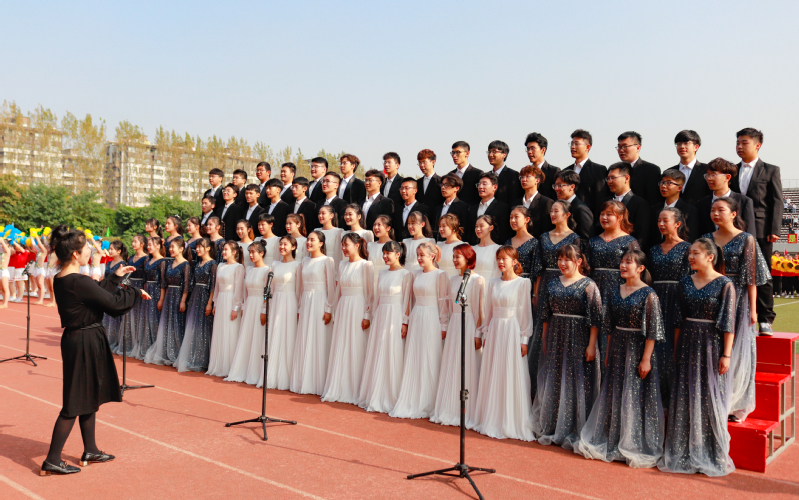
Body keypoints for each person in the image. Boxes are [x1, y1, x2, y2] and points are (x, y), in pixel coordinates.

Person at [41, 228, 148, 476]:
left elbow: (96, 293)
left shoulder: (64, 278)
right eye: (87, 247)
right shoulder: (78, 281)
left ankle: (90, 450)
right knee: (75, 400)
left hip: (81, 338)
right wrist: (133, 291)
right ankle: (52, 459)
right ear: (76, 254)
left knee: (89, 394)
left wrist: (115, 278)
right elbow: (113, 304)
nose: (91, 250)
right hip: (84, 341)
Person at [575, 249, 665, 468]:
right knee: (615, 392)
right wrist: (607, 353)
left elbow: (653, 331)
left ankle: (632, 442)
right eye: (622, 262)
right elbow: (609, 326)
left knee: (634, 393)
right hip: (616, 347)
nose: (623, 266)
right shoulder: (615, 290)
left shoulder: (649, 295)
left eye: (628, 262)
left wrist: (646, 359)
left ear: (640, 268)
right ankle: (614, 437)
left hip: (637, 349)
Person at [658, 238, 736, 477]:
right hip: (687, 343)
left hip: (712, 345)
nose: (690, 257)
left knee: (709, 395)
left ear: (710, 257)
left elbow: (728, 323)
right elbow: (677, 320)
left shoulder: (725, 285)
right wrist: (676, 349)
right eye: (690, 253)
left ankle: (711, 452)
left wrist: (726, 354)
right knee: (685, 393)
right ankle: (683, 450)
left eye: (695, 253)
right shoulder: (684, 282)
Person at [703, 197, 769, 422]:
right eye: (713, 209)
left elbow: (751, 277)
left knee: (738, 352)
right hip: (711, 297)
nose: (715, 213)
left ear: (733, 214)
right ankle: (714, 400)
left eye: (721, 210)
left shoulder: (746, 239)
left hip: (738, 298)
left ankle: (736, 404)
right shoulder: (706, 238)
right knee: (714, 348)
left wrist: (753, 309)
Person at [532, 244, 602, 448]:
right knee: (555, 379)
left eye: (567, 260)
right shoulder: (553, 282)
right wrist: (545, 339)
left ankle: (575, 428)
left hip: (579, 338)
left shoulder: (589, 285)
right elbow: (545, 314)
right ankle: (553, 425)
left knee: (576, 381)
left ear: (578, 261)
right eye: (559, 259)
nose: (562, 263)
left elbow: (595, 319)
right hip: (556, 336)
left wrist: (591, 345)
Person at [474, 246, 535, 441]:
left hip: (512, 331)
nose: (500, 262)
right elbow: (488, 311)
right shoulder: (493, 282)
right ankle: (491, 418)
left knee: (510, 371)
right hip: (494, 332)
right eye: (498, 259)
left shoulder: (523, 283)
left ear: (514, 261)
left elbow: (525, 312)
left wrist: (524, 340)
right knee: (494, 371)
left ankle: (509, 420)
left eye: (505, 259)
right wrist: (484, 333)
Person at [731, 128, 783, 335]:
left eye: (744, 142)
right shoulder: (732, 170)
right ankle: (737, 315)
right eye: (737, 142)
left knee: (763, 274)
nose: (739, 146)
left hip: (761, 230)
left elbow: (777, 201)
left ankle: (765, 319)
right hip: (734, 228)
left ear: (757, 145)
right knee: (734, 273)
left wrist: (774, 229)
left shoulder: (770, 170)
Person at [390, 241, 450, 419]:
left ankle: (429, 401)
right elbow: (409, 300)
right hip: (417, 317)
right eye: (417, 255)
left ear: (432, 256)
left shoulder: (441, 275)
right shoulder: (414, 274)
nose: (419, 258)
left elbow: (443, 302)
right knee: (415, 356)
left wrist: (444, 325)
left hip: (432, 318)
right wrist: (405, 321)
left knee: (430, 356)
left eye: (422, 255)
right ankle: (413, 397)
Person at [530, 200, 582, 399]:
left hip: (566, 285)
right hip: (545, 285)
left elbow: (578, 267)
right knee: (540, 330)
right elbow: (538, 266)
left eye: (556, 211)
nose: (552, 214)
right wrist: (535, 293)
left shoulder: (575, 238)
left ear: (567, 215)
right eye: (551, 211)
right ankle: (536, 387)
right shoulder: (544, 237)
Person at [430, 244, 485, 429]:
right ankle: (449, 407)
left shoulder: (478, 280)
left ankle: (468, 411)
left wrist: (478, 333)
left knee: (468, 364)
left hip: (469, 324)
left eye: (458, 256)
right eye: (453, 256)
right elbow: (447, 306)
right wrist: (444, 325)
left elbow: (480, 309)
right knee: (452, 363)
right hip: (454, 324)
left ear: (468, 258)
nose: (454, 260)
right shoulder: (452, 279)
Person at [358, 241, 413, 413]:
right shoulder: (381, 273)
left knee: (392, 352)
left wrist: (405, 322)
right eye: (383, 253)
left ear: (398, 254)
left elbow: (407, 301)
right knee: (378, 352)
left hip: (395, 316)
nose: (385, 256)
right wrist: (373, 316)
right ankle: (376, 394)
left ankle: (391, 396)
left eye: (388, 253)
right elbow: (377, 298)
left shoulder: (406, 274)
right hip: (381, 316)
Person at [587, 201, 641, 376]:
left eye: (609, 214)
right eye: (602, 214)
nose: (604, 217)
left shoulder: (630, 242)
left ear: (620, 217)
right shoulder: (593, 241)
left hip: (618, 291)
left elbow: (635, 272)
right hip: (594, 290)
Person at [322, 233, 375, 404]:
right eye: (342, 245)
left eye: (347, 245)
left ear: (357, 245)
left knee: (356, 344)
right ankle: (339, 387)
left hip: (358, 307)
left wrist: (367, 315)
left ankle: (355, 389)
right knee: (341, 345)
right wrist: (335, 311)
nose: (344, 248)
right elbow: (338, 291)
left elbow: (370, 293)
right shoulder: (342, 264)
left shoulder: (366, 265)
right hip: (344, 307)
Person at [648, 207, 691, 407]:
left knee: (674, 346)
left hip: (678, 299)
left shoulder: (688, 249)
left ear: (677, 224)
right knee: (656, 345)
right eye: (659, 220)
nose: (661, 224)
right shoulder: (653, 250)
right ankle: (655, 394)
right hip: (656, 299)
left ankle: (675, 396)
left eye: (665, 220)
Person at [290, 231, 336, 395]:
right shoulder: (304, 261)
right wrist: (299, 307)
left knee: (319, 338)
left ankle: (319, 382)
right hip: (306, 302)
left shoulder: (327, 261)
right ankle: (304, 380)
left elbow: (331, 287)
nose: (308, 242)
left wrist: (329, 308)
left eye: (312, 240)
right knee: (305, 337)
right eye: (308, 240)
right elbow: (301, 287)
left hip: (320, 301)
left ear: (321, 243)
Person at [225, 242, 272, 385]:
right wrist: (243, 308)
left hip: (259, 306)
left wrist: (264, 310)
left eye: (254, 252)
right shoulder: (249, 269)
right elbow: (244, 292)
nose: (251, 255)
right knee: (247, 337)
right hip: (249, 305)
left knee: (258, 337)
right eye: (249, 252)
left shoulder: (268, 270)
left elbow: (267, 294)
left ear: (262, 253)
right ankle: (243, 370)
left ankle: (256, 373)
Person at [260, 236, 301, 390]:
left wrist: (299, 309)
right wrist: (265, 308)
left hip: (290, 302)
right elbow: (269, 288)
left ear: (293, 247)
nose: (282, 247)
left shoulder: (298, 265)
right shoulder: (274, 265)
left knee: (288, 336)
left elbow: (299, 289)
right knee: (274, 334)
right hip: (276, 302)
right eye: (280, 244)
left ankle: (287, 377)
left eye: (285, 244)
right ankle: (271, 375)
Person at [145, 238, 192, 366]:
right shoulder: (169, 263)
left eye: (173, 247)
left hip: (178, 297)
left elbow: (186, 285)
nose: (170, 249)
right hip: (168, 297)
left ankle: (177, 353)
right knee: (166, 324)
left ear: (181, 249)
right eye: (170, 247)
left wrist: (183, 301)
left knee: (177, 324)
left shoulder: (186, 265)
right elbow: (164, 283)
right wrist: (161, 299)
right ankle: (166, 351)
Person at [176, 238, 217, 373]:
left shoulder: (213, 264)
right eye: (197, 247)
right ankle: (192, 357)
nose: (197, 249)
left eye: (200, 247)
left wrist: (210, 303)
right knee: (193, 326)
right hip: (195, 297)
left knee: (203, 328)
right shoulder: (198, 263)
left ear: (208, 248)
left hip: (205, 298)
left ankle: (202, 359)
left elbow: (213, 286)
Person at [206, 242, 246, 378]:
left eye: (226, 250)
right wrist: (215, 303)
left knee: (230, 332)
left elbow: (239, 289)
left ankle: (229, 367)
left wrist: (235, 308)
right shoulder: (220, 266)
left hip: (231, 301)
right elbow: (217, 287)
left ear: (234, 252)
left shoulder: (239, 267)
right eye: (223, 250)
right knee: (220, 331)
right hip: (221, 301)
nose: (223, 252)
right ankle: (218, 365)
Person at [695, 158, 756, 238]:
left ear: (727, 177)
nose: (709, 178)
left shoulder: (744, 201)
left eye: (713, 175)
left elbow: (750, 234)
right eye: (708, 175)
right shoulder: (702, 204)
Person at [601, 163, 651, 245]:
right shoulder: (604, 202)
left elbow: (642, 236)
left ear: (626, 178)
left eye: (613, 178)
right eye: (608, 178)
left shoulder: (640, 204)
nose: (609, 181)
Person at [564, 129, 609, 216]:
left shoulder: (598, 170)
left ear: (587, 147)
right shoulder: (565, 171)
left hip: (588, 218)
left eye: (576, 144)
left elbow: (601, 199)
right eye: (571, 144)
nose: (572, 147)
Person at [649, 170, 699, 247]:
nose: (663, 186)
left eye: (669, 183)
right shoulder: (654, 209)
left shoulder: (689, 211)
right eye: (662, 182)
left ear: (679, 188)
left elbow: (691, 237)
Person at [610, 131, 661, 206]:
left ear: (638, 147)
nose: (621, 150)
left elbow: (653, 200)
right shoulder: (613, 171)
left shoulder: (651, 170)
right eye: (619, 147)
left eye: (625, 146)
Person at [117, 236, 148, 356]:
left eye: (135, 241)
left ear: (142, 244)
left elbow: (146, 275)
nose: (133, 243)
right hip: (129, 287)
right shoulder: (130, 258)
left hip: (140, 287)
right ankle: (129, 344)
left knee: (139, 315)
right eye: (132, 241)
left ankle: (139, 345)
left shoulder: (146, 258)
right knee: (129, 315)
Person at [138, 237, 167, 360]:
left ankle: (156, 349)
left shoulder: (162, 261)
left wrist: (161, 299)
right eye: (148, 245)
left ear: (158, 246)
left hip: (156, 292)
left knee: (154, 319)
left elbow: (163, 282)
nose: (148, 247)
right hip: (147, 290)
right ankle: (146, 347)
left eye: (151, 245)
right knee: (146, 319)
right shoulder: (148, 260)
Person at [664, 130, 710, 206]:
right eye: (679, 144)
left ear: (696, 147)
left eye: (686, 143)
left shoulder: (706, 170)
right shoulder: (669, 172)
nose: (682, 146)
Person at [553, 170, 594, 248]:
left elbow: (586, 240)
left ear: (572, 187)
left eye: (560, 185)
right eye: (555, 185)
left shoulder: (581, 209)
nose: (556, 189)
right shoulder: (557, 206)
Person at [511, 165, 554, 238]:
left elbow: (547, 229)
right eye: (522, 177)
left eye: (528, 176)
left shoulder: (546, 202)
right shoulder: (515, 203)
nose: (524, 179)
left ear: (537, 180)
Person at [469, 172, 510, 245]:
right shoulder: (472, 209)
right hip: (475, 247)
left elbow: (504, 233)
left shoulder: (503, 208)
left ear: (494, 187)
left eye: (484, 184)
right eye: (479, 184)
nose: (480, 187)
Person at [101, 241, 127, 353]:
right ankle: (105, 340)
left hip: (116, 293)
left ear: (119, 251)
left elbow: (123, 281)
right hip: (106, 292)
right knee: (106, 318)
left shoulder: (123, 264)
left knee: (115, 319)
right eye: (109, 249)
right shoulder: (108, 263)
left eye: (112, 249)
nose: (109, 251)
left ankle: (114, 341)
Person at [431, 173, 471, 242]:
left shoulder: (463, 207)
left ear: (456, 188)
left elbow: (464, 230)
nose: (443, 187)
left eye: (446, 185)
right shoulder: (437, 208)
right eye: (442, 185)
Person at [506, 206, 541, 280]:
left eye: (516, 217)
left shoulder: (534, 243)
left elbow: (537, 272)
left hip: (526, 282)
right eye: (511, 217)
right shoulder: (508, 242)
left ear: (527, 219)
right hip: (508, 281)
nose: (513, 220)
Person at [524, 132, 560, 200]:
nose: (529, 152)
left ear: (543, 150)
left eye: (532, 148)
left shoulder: (554, 171)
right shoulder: (525, 173)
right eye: (528, 149)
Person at [448, 140, 483, 206]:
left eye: (458, 152)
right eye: (453, 153)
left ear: (467, 153)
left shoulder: (477, 173)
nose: (454, 156)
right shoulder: (450, 175)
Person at [471, 215, 501, 285]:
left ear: (491, 228)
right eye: (476, 226)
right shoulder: (472, 249)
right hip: (473, 287)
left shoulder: (498, 249)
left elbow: (498, 273)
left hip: (489, 287)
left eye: (481, 226)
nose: (478, 229)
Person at [436, 214, 464, 278]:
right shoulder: (438, 245)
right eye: (440, 226)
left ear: (453, 227)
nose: (441, 229)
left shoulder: (462, 246)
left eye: (444, 226)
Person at [367, 215, 394, 279]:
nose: (376, 227)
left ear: (388, 228)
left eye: (379, 225)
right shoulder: (370, 245)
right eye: (374, 225)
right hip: (371, 279)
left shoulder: (395, 245)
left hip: (387, 279)